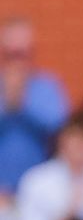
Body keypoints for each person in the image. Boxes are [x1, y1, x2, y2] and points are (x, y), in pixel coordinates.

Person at [0, 16, 69, 195]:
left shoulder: (47, 85)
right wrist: (7, 104)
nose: (17, 62)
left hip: (40, 186)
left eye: (22, 54)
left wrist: (22, 104)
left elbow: (60, 129)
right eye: (12, 54)